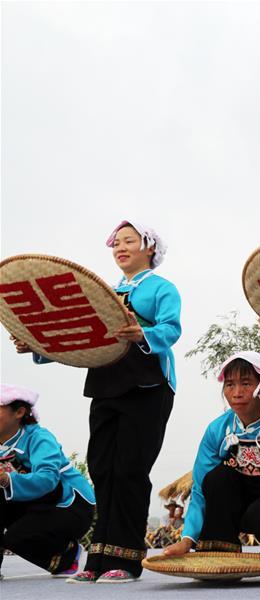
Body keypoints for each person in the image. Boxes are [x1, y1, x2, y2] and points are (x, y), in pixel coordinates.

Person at [13, 220, 181, 583]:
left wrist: (144, 332)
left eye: (129, 241)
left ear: (149, 248)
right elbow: (80, 337)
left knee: (130, 471)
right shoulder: (103, 291)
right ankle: (98, 557)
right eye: (116, 243)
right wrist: (37, 347)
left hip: (147, 385)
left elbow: (171, 329)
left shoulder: (161, 288)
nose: (120, 248)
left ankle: (128, 558)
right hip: (105, 383)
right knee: (102, 468)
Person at [163, 351, 260, 573]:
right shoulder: (217, 431)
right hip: (237, 506)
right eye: (230, 385)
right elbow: (200, 489)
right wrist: (187, 538)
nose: (237, 393)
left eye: (246, 384)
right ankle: (220, 552)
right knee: (216, 478)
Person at [0, 384, 95, 580]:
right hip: (38, 504)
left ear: (19, 412)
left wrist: (6, 478)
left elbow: (47, 478)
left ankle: (66, 553)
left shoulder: (39, 437)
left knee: (15, 538)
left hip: (71, 505)